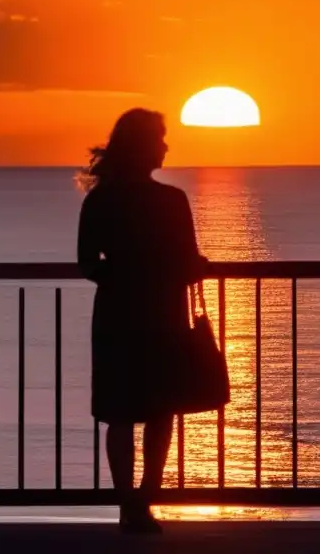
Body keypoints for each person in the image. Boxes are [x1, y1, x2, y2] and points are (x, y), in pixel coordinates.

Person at [76, 108, 207, 534]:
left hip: (116, 314)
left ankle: (127, 504)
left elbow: (87, 264)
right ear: (143, 146)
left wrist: (122, 274)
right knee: (159, 410)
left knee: (120, 413)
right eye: (160, 138)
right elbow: (188, 261)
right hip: (162, 312)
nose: (166, 146)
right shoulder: (172, 200)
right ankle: (145, 500)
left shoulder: (100, 199)